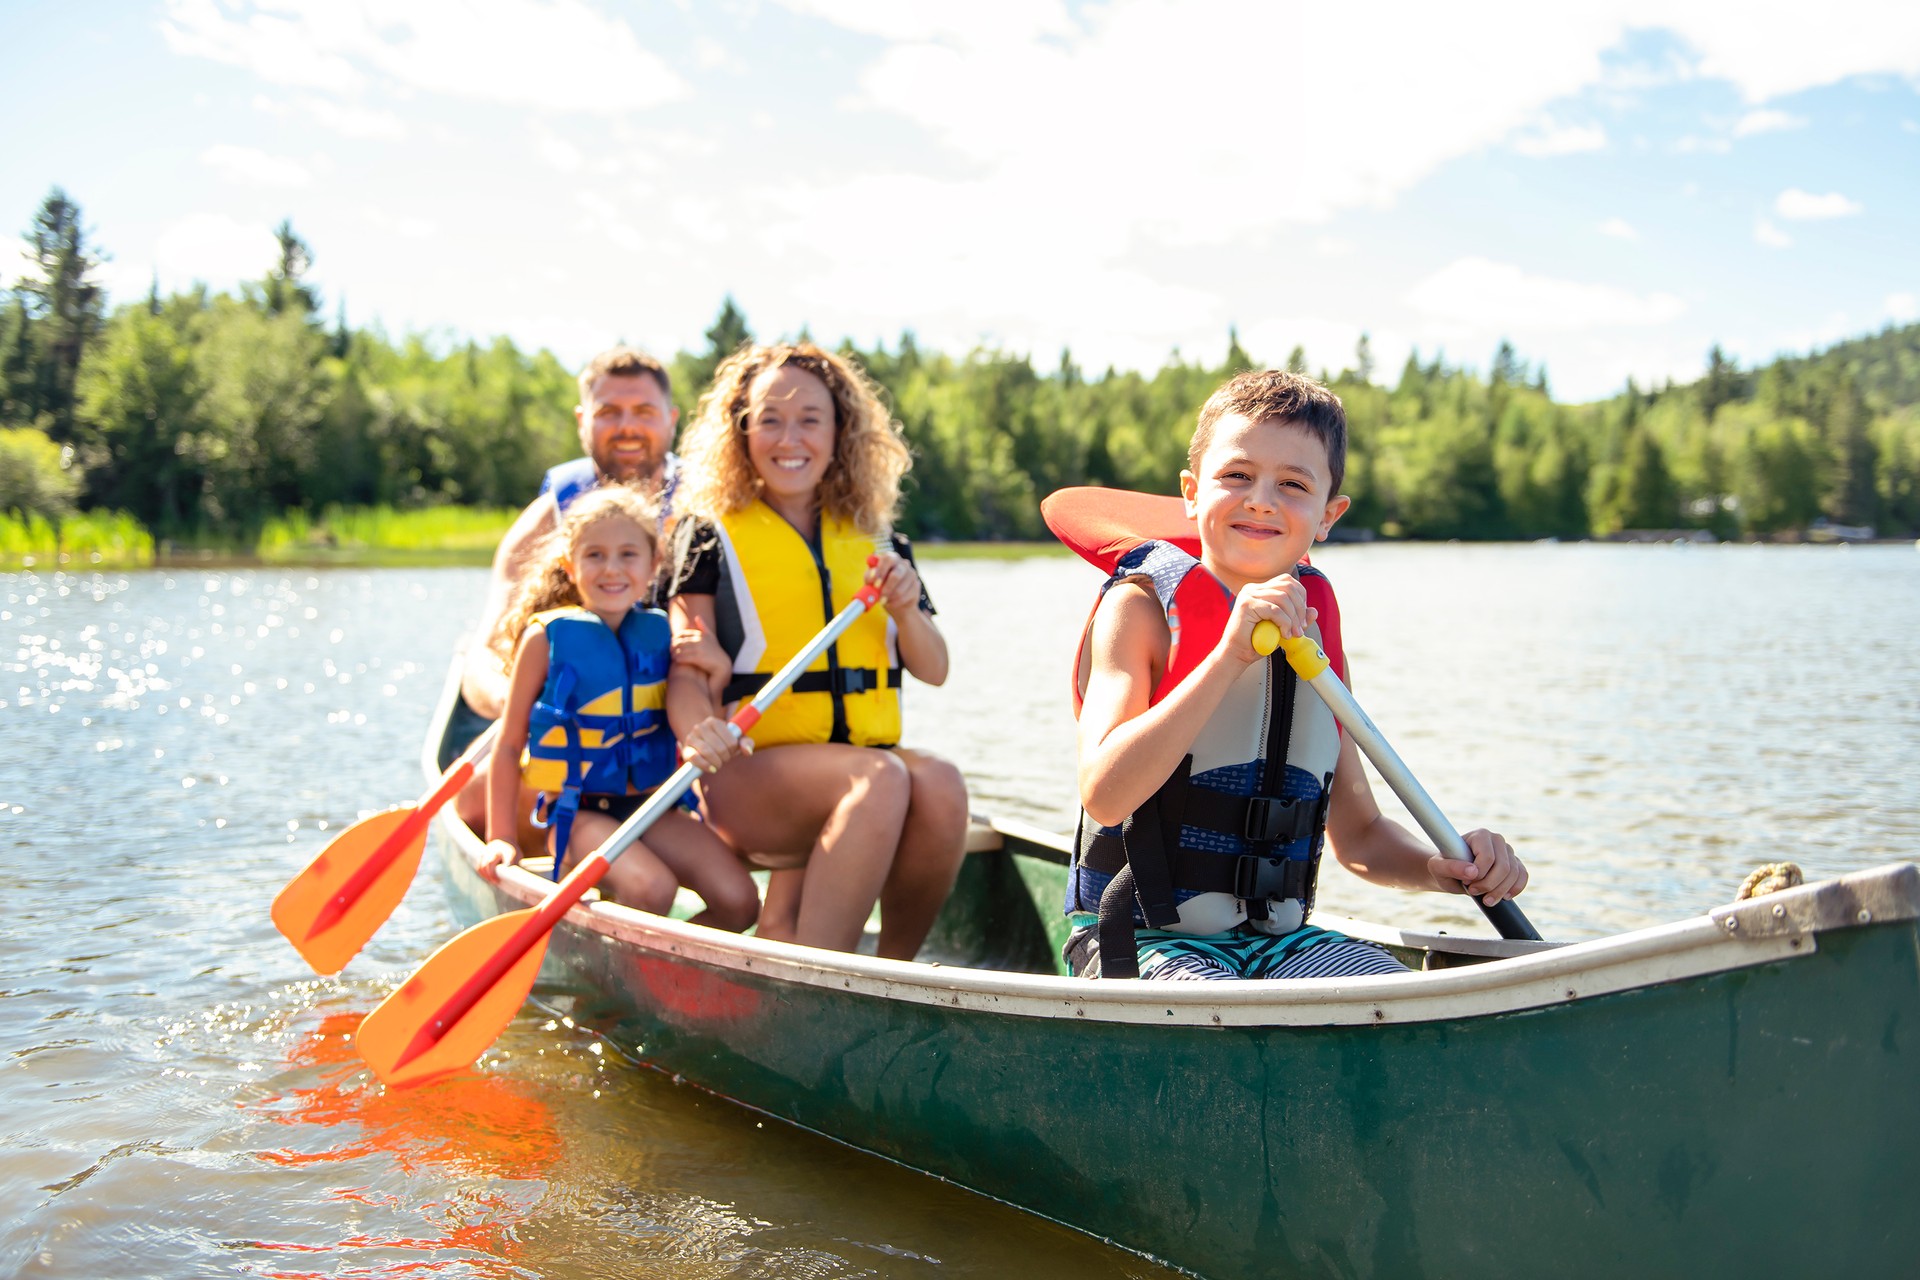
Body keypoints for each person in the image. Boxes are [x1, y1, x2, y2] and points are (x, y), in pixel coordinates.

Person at [1061, 369, 1528, 980]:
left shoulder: (1316, 631)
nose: (1261, 499)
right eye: (1236, 475)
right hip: (1135, 934)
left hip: (1280, 945)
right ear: (1192, 491)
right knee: (1214, 1010)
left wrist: (1440, 869)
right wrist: (1227, 656)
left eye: (1292, 484)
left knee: (1395, 997)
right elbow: (1105, 791)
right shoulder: (1140, 611)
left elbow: (1359, 839)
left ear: (1328, 514)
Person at [664, 341, 969, 958]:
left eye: (809, 418)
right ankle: (826, 977)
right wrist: (700, 730)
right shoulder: (708, 534)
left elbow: (933, 669)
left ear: (839, 431)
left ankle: (894, 974)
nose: (789, 437)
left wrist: (906, 608)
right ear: (741, 429)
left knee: (940, 783)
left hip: (856, 769)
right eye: (769, 419)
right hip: (749, 775)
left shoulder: (880, 538)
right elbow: (687, 666)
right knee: (879, 776)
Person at [477, 484, 758, 931]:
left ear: (654, 565)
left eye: (628, 554)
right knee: (653, 888)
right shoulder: (544, 639)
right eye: (594, 555)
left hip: (654, 806)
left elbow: (704, 728)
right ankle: (620, 983)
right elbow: (509, 745)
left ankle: (670, 972)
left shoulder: (662, 633)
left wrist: (719, 674)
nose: (612, 569)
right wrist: (501, 838)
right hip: (579, 812)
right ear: (569, 566)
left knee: (741, 902)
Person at [453, 346, 681, 836]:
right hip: (573, 748)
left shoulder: (705, 509)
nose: (626, 426)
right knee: (473, 801)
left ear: (671, 419)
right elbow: (482, 663)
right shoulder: (546, 520)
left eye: (643, 411)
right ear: (583, 421)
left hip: (670, 738)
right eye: (608, 412)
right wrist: (530, 707)